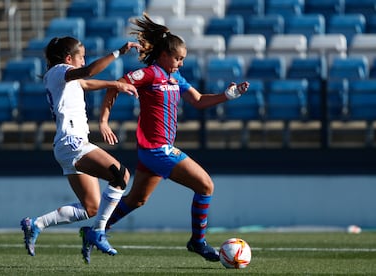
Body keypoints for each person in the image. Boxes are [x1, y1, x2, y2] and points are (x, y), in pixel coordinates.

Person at [98, 14, 250, 262]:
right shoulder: (149, 74)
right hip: (157, 149)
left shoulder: (175, 78)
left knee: (137, 200)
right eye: (178, 58)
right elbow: (115, 85)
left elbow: (199, 101)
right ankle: (198, 242)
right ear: (164, 55)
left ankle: (97, 230)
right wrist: (103, 121)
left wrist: (227, 95)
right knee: (206, 185)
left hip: (155, 150)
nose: (180, 63)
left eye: (183, 59)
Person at [20, 36, 141, 264]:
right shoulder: (59, 71)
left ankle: (36, 224)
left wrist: (115, 84)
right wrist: (118, 53)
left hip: (67, 145)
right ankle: (98, 232)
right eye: (81, 56)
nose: (84, 60)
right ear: (68, 59)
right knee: (121, 175)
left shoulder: (62, 78)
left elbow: (86, 83)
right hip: (72, 142)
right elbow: (88, 73)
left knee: (91, 207)